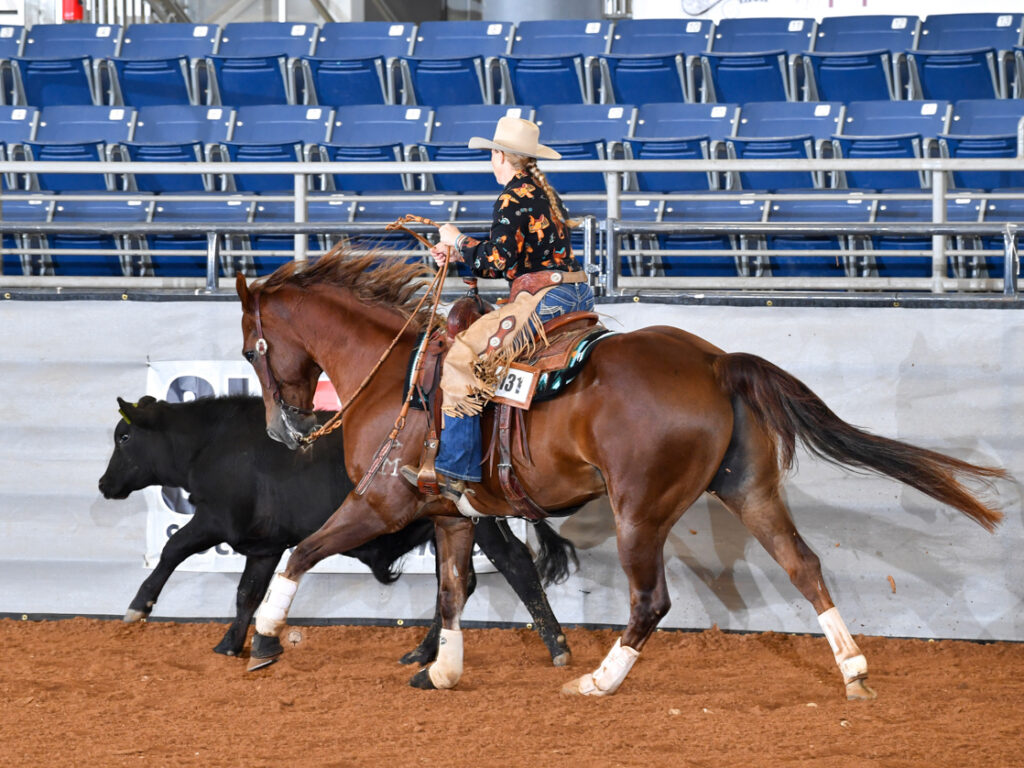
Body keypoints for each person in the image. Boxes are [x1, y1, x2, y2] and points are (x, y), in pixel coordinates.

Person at [401, 117, 595, 510]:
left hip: (543, 297)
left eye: (491, 153)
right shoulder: (541, 191)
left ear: (499, 155)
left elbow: (498, 263)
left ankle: (456, 468)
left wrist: (456, 239)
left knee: (462, 358)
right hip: (575, 292)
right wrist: (461, 251)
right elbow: (509, 252)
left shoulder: (510, 197)